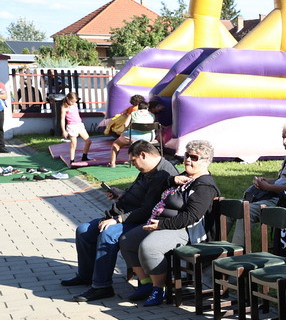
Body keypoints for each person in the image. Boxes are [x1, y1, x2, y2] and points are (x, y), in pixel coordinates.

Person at [63, 141, 176, 302]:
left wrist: (118, 220)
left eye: (133, 161)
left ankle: (102, 286)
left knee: (108, 234)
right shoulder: (147, 169)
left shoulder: (162, 174)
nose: (133, 165)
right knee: (83, 230)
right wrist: (121, 194)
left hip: (143, 220)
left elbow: (148, 209)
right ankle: (86, 275)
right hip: (126, 214)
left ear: (143, 155)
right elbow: (139, 194)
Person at [120, 140, 220, 307]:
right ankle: (146, 283)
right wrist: (172, 179)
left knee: (149, 247)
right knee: (127, 241)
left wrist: (160, 225)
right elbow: (161, 185)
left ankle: (159, 288)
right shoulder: (185, 177)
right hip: (165, 223)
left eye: (194, 157)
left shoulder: (204, 185)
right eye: (187, 155)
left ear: (206, 161)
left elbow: (191, 217)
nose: (188, 160)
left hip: (186, 230)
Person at [234, 122, 286, 243]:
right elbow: (282, 179)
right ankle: (218, 247)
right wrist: (265, 180)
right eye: (283, 137)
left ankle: (235, 251)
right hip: (274, 195)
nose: (284, 141)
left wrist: (268, 187)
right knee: (235, 206)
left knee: (246, 211)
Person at [107, 102, 157, 167]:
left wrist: (125, 131)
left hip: (134, 136)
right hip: (149, 137)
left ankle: (113, 163)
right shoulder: (152, 115)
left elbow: (125, 124)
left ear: (138, 107)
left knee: (116, 144)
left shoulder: (133, 113)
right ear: (147, 108)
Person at [61, 91, 92, 166]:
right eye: (71, 101)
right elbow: (62, 119)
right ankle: (72, 161)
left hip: (79, 125)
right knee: (74, 144)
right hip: (72, 126)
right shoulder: (64, 108)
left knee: (88, 141)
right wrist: (64, 131)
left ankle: (84, 156)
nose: (73, 103)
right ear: (67, 99)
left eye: (74, 101)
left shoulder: (75, 105)